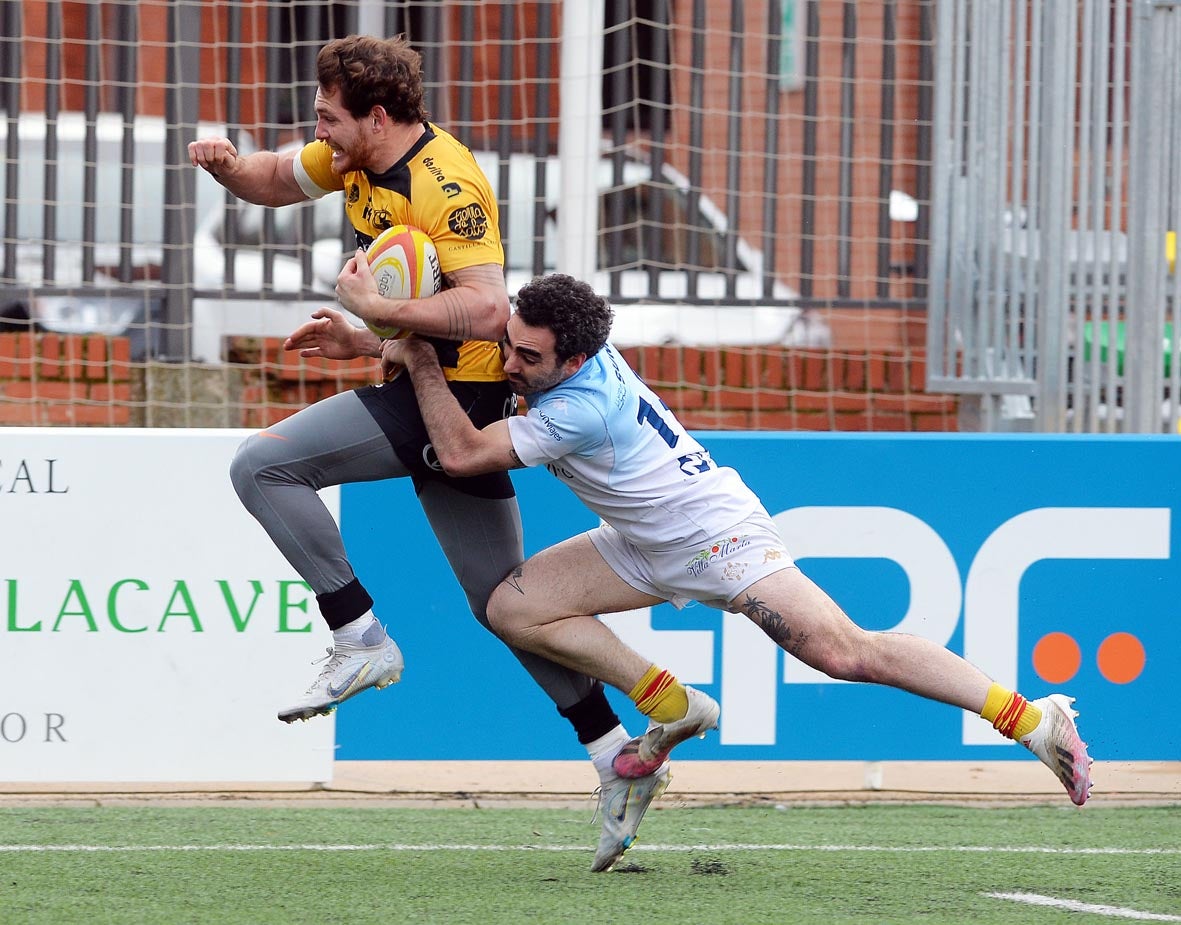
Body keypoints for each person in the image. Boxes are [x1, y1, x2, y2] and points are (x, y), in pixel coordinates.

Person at [382, 272, 1096, 850]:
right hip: (640, 539)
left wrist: (414, 357)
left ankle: (1032, 719)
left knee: (845, 652)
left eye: (527, 357)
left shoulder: (579, 405)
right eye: (510, 346)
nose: (509, 363)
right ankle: (673, 705)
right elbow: (479, 351)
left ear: (573, 360)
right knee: (513, 607)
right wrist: (369, 334)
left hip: (716, 537)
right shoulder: (558, 352)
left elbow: (463, 453)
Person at [189, 35, 663, 872]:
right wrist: (224, 163)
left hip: (457, 394)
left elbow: (486, 310)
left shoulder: (449, 185)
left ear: (377, 116)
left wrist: (379, 309)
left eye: (329, 119)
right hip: (422, 381)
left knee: (261, 465)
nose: (319, 133)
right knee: (506, 604)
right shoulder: (355, 157)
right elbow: (269, 180)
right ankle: (612, 754)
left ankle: (360, 634)